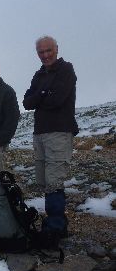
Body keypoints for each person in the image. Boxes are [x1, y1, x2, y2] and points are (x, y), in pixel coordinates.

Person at [23, 36, 78, 246]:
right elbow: (27, 102)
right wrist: (43, 93)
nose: (45, 55)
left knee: (54, 181)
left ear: (56, 49)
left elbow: (57, 100)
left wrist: (40, 96)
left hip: (59, 132)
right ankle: (56, 223)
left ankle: (55, 228)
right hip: (40, 133)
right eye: (41, 52)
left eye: (48, 50)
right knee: (46, 181)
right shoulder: (39, 74)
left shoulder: (66, 70)